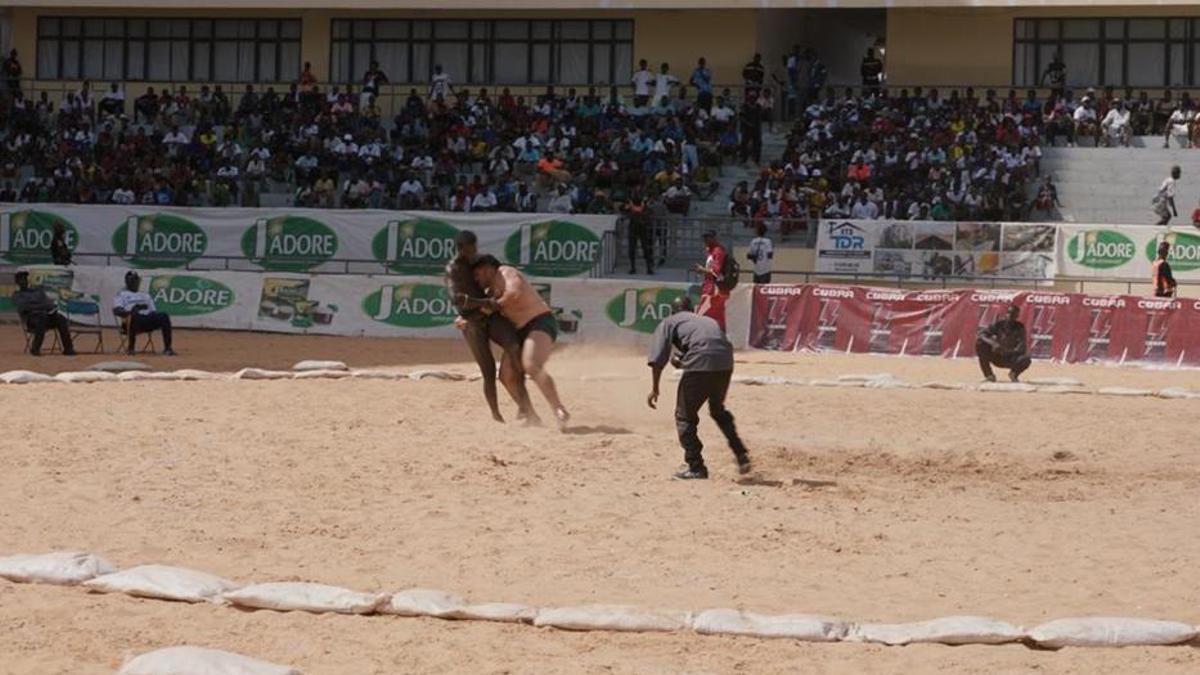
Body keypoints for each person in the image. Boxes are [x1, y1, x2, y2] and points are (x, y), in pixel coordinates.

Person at [646, 296, 750, 480]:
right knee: (717, 410)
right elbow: (710, 345)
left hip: (700, 364)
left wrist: (655, 388)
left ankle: (696, 467)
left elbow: (657, 359)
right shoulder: (707, 320)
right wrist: (684, 361)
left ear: (672, 311)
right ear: (692, 310)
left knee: (684, 416)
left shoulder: (669, 322)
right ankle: (740, 452)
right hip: (725, 363)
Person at [470, 255, 570, 429]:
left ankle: (558, 409)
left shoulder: (506, 272)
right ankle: (531, 416)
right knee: (506, 376)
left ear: (486, 269)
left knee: (531, 364)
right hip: (519, 333)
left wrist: (490, 307)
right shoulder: (490, 291)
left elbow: (513, 293)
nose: (476, 279)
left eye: (477, 274)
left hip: (539, 322)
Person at [445, 231, 536, 424]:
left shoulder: (482, 260)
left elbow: (499, 274)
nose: (473, 252)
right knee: (488, 371)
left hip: (490, 315)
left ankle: (525, 406)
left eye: (475, 248)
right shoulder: (454, 269)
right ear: (460, 249)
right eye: (469, 249)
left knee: (514, 347)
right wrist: (484, 302)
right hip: (472, 321)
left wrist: (493, 297)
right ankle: (496, 415)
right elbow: (456, 298)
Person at [11, 271, 75, 356]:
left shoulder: (37, 291)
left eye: (25, 279)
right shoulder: (17, 295)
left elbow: (49, 304)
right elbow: (24, 307)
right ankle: (35, 348)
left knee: (61, 319)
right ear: (17, 283)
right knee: (41, 317)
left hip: (46, 316)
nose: (23, 282)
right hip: (32, 319)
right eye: (21, 280)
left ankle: (68, 349)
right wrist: (40, 306)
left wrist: (36, 306)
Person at [113, 271, 176, 356]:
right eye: (132, 281)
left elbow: (153, 311)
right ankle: (131, 348)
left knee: (164, 316)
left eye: (136, 280)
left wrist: (150, 314)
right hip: (128, 322)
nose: (135, 283)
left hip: (146, 320)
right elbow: (117, 310)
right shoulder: (121, 294)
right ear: (127, 282)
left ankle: (168, 348)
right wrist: (131, 311)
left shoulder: (145, 295)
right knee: (134, 316)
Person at [976, 305, 1030, 383]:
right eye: (1009, 313)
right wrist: (993, 343)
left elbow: (1021, 348)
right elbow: (982, 334)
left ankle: (1013, 374)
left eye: (1013, 314)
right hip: (997, 356)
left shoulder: (1020, 327)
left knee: (1026, 359)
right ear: (1006, 314)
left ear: (1017, 316)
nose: (1010, 316)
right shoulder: (998, 324)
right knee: (980, 344)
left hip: (1010, 358)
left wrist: (1007, 351)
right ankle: (989, 375)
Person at [694, 230, 730, 331]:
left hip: (713, 289)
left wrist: (702, 270)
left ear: (714, 238)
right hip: (711, 287)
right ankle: (721, 334)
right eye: (704, 237)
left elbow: (716, 271)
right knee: (717, 314)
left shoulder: (718, 251)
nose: (705, 240)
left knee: (701, 313)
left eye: (708, 237)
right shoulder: (711, 251)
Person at [623, 189, 654, 275]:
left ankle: (648, 267)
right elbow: (624, 211)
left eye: (638, 195)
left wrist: (643, 217)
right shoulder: (630, 205)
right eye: (635, 195)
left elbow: (649, 214)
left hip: (642, 228)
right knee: (632, 249)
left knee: (645, 249)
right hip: (633, 228)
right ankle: (633, 267)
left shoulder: (644, 205)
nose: (637, 197)